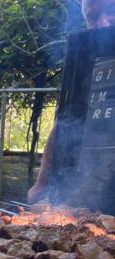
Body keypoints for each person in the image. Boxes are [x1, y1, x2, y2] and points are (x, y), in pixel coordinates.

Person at [28, 0, 115, 203]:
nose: (103, 23)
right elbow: (64, 123)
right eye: (92, 18)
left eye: (111, 11)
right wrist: (41, 183)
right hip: (94, 191)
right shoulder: (91, 63)